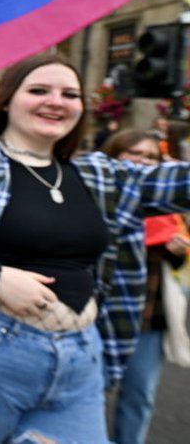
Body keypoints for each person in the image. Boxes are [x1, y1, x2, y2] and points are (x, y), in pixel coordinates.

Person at [0, 52, 190, 444]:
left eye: (69, 94)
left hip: (81, 356)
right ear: (7, 99)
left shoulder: (100, 172)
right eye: (39, 90)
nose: (55, 100)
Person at [102, 130, 190, 444]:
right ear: (114, 155)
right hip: (102, 314)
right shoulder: (98, 195)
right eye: (134, 153)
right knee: (90, 393)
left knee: (139, 394)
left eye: (150, 156)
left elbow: (176, 268)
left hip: (150, 316)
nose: (142, 161)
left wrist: (175, 252)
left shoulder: (168, 206)